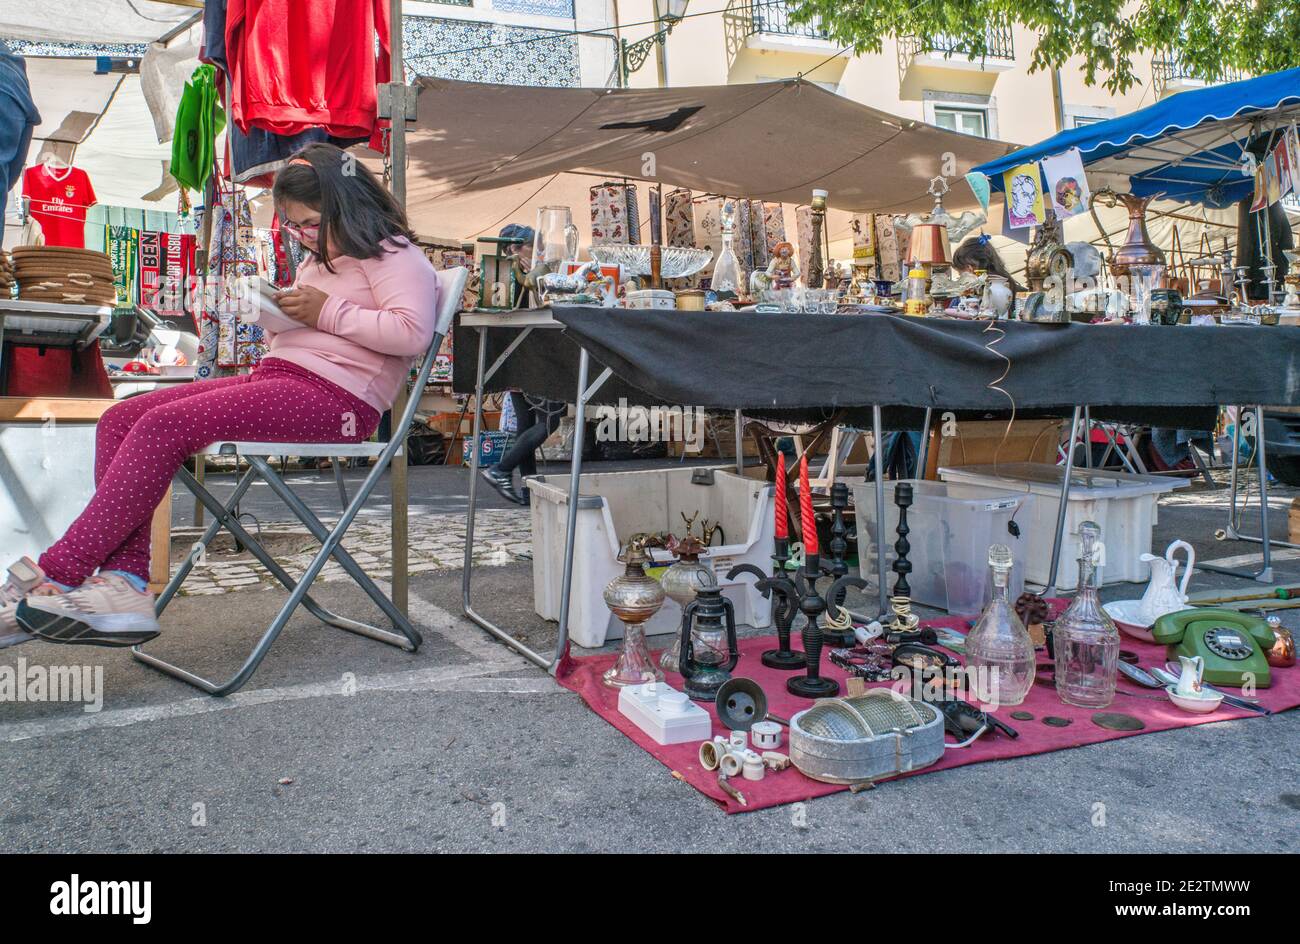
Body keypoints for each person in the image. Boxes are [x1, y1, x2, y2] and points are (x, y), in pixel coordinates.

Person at [2, 143, 439, 649]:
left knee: (161, 427)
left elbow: (412, 333)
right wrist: (275, 317)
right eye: (292, 227)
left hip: (338, 399)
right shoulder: (320, 261)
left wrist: (323, 314)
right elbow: (308, 333)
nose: (300, 236)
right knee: (121, 417)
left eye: (309, 224)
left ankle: (58, 572)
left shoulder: (391, 252)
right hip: (282, 377)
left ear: (348, 204)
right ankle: (125, 583)